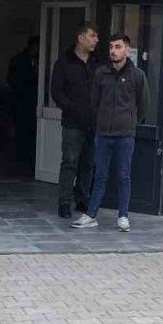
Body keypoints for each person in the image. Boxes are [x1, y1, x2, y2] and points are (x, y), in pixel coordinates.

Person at [72, 33, 148, 232]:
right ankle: (91, 215)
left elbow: (143, 106)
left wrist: (130, 122)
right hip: (103, 134)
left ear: (127, 50)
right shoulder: (101, 73)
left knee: (123, 175)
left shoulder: (137, 75)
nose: (113, 51)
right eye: (111, 47)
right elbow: (94, 103)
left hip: (125, 135)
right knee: (99, 175)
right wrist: (101, 122)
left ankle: (123, 216)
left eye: (118, 47)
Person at [50, 21, 101, 218]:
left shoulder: (98, 63)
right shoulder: (64, 62)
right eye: (92, 36)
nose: (96, 40)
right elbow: (56, 92)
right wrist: (72, 109)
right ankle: (64, 203)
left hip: (93, 123)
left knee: (88, 163)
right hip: (72, 123)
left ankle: (82, 200)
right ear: (81, 38)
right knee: (70, 162)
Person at [7, 35, 39, 168]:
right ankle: (24, 158)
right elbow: (12, 80)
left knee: (26, 131)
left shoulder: (33, 60)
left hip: (26, 101)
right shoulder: (22, 60)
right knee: (25, 131)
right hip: (24, 101)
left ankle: (25, 158)